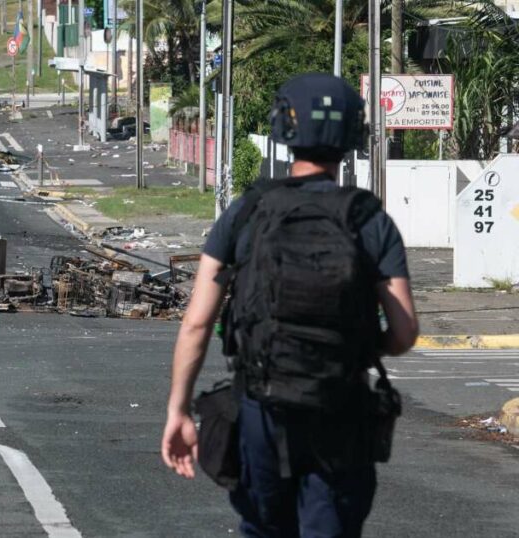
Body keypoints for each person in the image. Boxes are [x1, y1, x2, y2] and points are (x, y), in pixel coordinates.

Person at [161, 73, 419, 538]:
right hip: (339, 408)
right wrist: (350, 345)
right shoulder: (369, 219)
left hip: (262, 406)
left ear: (283, 129)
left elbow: (197, 324)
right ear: (353, 135)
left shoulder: (247, 211)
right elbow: (403, 333)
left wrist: (179, 409)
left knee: (263, 528)